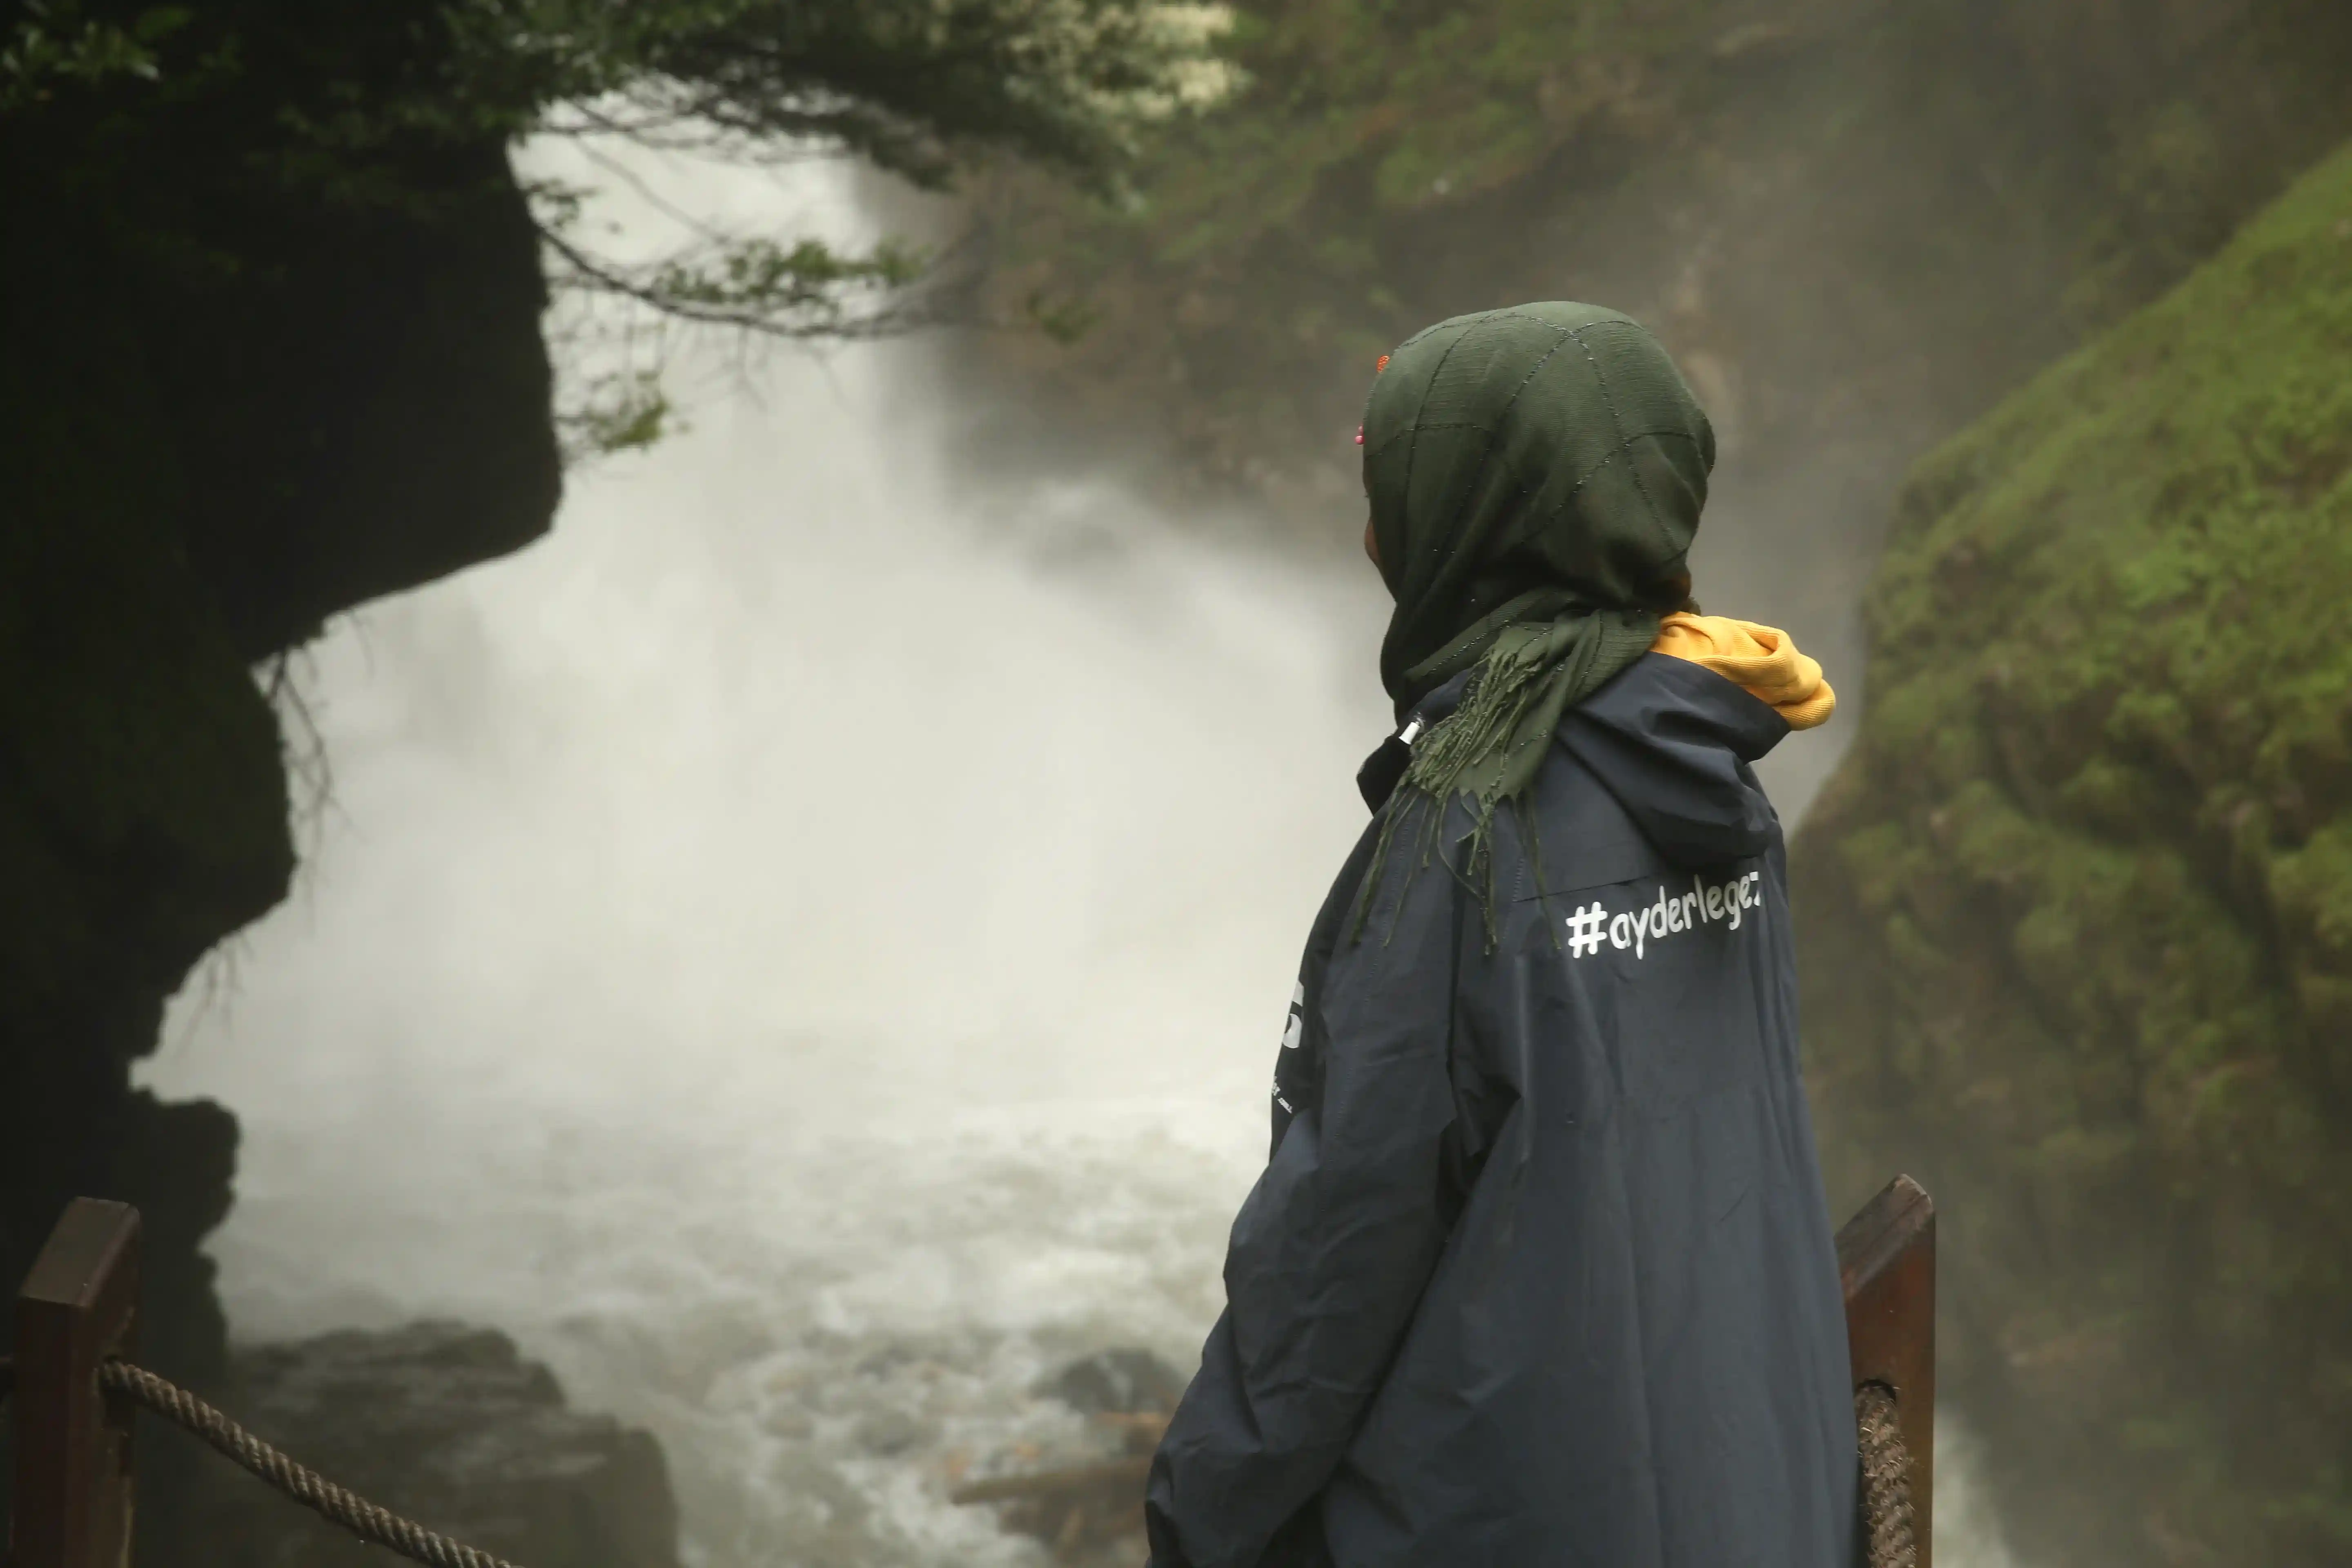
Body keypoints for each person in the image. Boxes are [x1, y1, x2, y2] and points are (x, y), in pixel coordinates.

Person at [1144, 302, 1861, 1568]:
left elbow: (1334, 1266)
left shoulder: (1463, 844)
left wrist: (1196, 1522)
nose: (1371, 527)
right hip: (1760, 1503)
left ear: (1476, 522)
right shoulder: (1712, 775)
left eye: (1396, 482)